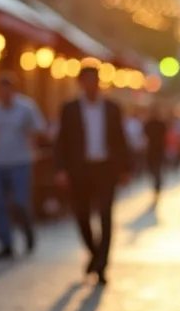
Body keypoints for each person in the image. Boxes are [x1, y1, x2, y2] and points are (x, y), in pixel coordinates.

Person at [54, 66, 129, 284]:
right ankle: (95, 253)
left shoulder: (112, 108)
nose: (91, 85)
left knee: (105, 214)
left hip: (105, 169)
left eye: (94, 81)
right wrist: (61, 169)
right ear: (80, 83)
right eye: (86, 81)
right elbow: (62, 141)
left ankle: (102, 264)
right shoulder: (70, 109)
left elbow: (120, 139)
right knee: (82, 215)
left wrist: (125, 169)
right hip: (80, 170)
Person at [0, 73, 45, 259]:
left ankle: (27, 230)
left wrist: (30, 142)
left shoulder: (26, 107)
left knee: (19, 202)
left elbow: (38, 129)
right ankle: (6, 244)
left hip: (21, 161)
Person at [144, 105, 169, 198]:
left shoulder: (159, 124)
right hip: (153, 149)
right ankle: (156, 184)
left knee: (157, 168)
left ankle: (157, 185)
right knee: (153, 168)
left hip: (158, 149)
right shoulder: (149, 123)